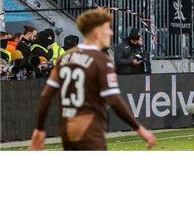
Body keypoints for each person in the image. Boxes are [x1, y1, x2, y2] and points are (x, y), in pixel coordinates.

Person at [30, 8, 156, 151]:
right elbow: (114, 100)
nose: (111, 33)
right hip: (91, 130)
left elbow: (46, 96)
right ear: (96, 32)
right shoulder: (101, 60)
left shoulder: (65, 58)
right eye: (107, 29)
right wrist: (139, 128)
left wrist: (40, 128)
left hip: (68, 130)